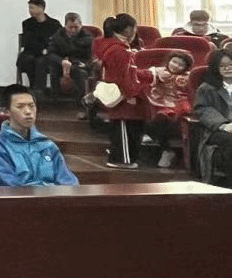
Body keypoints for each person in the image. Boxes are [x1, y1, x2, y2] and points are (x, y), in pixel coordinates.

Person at [0, 85, 79, 186]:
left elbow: (69, 181)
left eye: (31, 106)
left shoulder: (47, 144)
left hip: (55, 195)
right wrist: (51, 189)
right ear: (6, 111)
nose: (28, 112)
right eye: (20, 107)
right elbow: (13, 187)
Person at [99, 13, 151, 169]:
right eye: (134, 27)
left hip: (127, 97)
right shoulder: (117, 50)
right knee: (124, 129)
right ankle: (119, 160)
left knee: (134, 129)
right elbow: (120, 77)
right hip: (123, 99)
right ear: (128, 30)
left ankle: (127, 158)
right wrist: (131, 94)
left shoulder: (123, 49)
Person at [143, 51, 193, 167]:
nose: (175, 66)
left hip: (175, 105)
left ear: (186, 68)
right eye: (174, 62)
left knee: (162, 117)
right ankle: (166, 150)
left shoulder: (186, 77)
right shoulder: (157, 71)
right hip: (154, 101)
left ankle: (166, 150)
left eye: (180, 65)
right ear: (168, 61)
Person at [193, 50, 232, 181]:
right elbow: (202, 109)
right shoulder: (207, 88)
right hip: (216, 130)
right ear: (216, 68)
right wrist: (223, 125)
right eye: (222, 65)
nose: (227, 68)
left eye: (230, 64)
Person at [46, 12, 96, 104]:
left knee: (82, 73)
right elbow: (51, 53)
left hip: (79, 64)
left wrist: (76, 62)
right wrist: (62, 61)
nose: (73, 30)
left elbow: (91, 56)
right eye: (70, 27)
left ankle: (81, 102)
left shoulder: (88, 37)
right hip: (61, 64)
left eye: (76, 27)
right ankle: (54, 100)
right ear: (65, 26)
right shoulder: (58, 36)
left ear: (81, 25)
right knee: (52, 67)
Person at [17, 0, 61, 96]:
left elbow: (57, 42)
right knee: (27, 60)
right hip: (31, 52)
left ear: (41, 8)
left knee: (42, 61)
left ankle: (40, 90)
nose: (30, 11)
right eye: (29, 8)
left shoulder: (54, 24)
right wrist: (43, 46)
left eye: (32, 8)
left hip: (48, 53)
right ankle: (33, 87)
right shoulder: (27, 23)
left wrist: (45, 47)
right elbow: (28, 42)